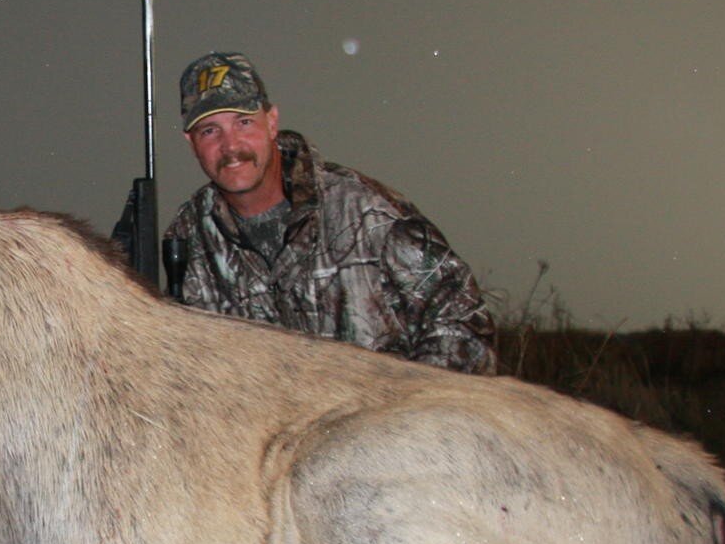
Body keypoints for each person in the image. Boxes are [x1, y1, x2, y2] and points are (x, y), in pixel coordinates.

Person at [163, 51, 496, 375]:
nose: (230, 145)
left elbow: (463, 320)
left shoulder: (366, 211)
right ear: (191, 143)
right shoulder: (188, 237)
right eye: (210, 131)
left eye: (244, 122)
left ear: (272, 122)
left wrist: (408, 407)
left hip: (388, 418)